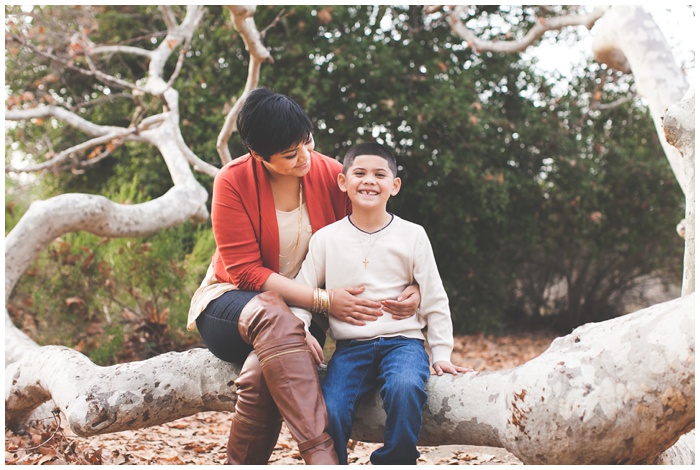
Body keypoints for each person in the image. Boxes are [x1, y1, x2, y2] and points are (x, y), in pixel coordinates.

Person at [186, 88, 422, 465]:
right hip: (231, 304)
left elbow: (379, 231)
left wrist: (413, 285)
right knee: (271, 315)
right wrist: (324, 300)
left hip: (300, 316)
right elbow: (245, 272)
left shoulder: (330, 173)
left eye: (307, 143)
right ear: (258, 156)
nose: (305, 158)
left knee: (263, 371)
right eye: (290, 155)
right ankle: (322, 457)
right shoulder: (232, 181)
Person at [291, 142, 470, 465]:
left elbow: (433, 295)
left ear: (394, 185)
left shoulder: (412, 235)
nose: (369, 181)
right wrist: (300, 329)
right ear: (343, 182)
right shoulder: (326, 239)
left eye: (379, 174)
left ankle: (395, 460)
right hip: (351, 347)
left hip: (403, 343)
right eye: (359, 173)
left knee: (405, 388)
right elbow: (301, 290)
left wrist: (441, 352)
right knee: (331, 407)